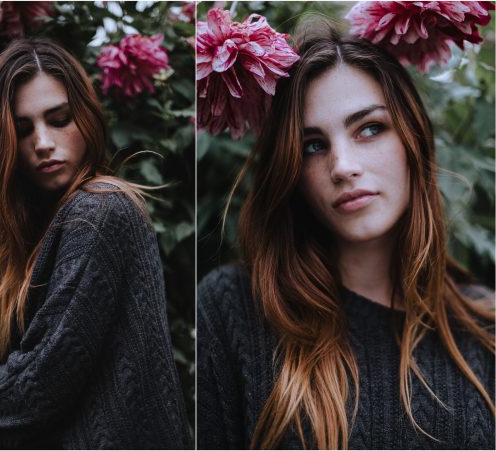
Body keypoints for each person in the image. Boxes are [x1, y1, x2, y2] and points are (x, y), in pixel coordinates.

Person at [197, 27, 495, 450]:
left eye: (370, 128)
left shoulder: (486, 328)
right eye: (313, 146)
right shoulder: (234, 310)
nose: (343, 166)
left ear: (414, 139)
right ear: (291, 172)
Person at [0, 38, 191, 449]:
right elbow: (1, 357)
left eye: (58, 119)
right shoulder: (56, 223)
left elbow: (29, 394)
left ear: (87, 118)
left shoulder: (99, 214)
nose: (42, 142)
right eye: (23, 129)